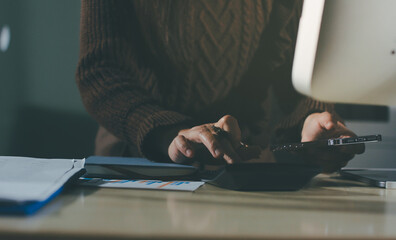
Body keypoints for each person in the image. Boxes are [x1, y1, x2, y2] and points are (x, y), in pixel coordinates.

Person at [76, 0, 364, 173]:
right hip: (137, 161)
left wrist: (310, 118)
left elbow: (292, 61)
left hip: (244, 165)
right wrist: (168, 133)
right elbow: (100, 69)